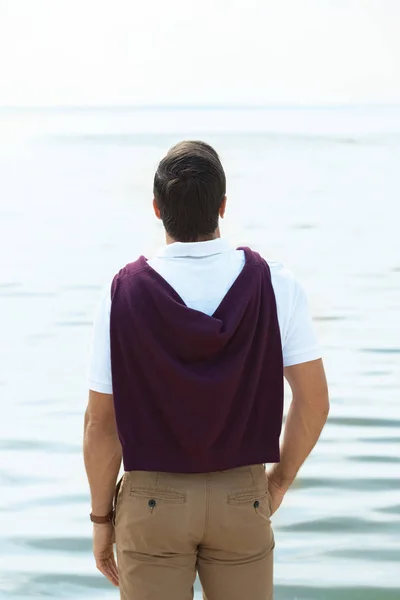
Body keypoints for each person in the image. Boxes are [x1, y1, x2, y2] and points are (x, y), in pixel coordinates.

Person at [83, 140, 329, 600]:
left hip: (152, 499)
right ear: (222, 207)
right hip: (243, 494)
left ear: (157, 209)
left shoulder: (123, 293)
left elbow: (101, 423)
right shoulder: (276, 284)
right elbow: (314, 402)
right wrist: (278, 481)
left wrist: (101, 519)